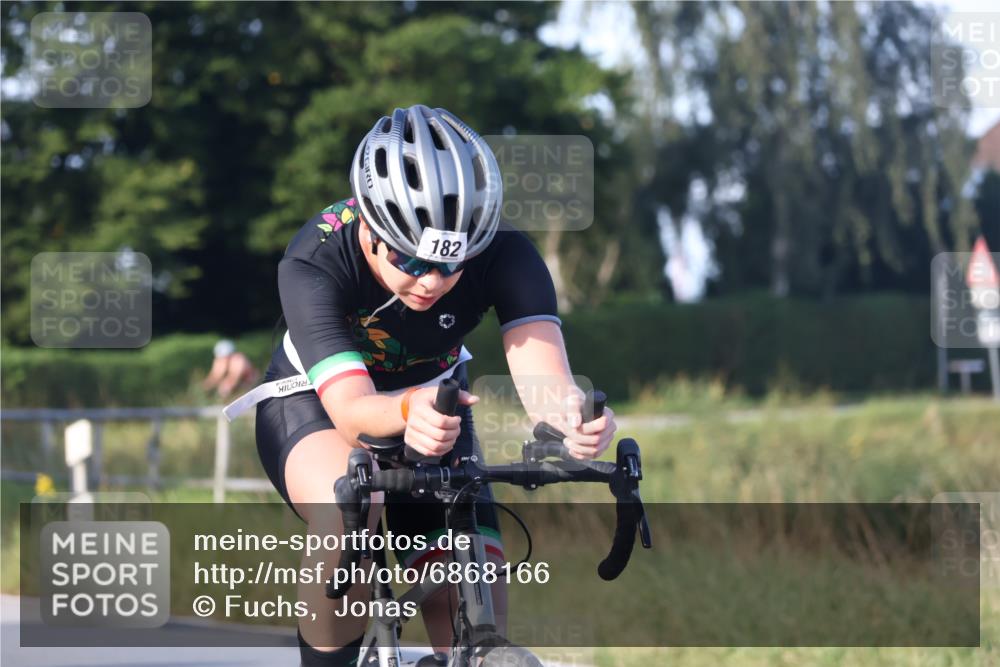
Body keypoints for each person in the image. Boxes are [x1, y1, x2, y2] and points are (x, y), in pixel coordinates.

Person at [249, 105, 617, 666]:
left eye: (452, 265)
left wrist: (572, 416)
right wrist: (404, 410)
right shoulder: (314, 258)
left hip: (437, 401)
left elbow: (546, 378)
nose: (432, 281)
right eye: (412, 260)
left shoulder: (505, 251)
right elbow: (351, 411)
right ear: (370, 230)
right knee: (354, 506)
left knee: (469, 576)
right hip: (314, 402)